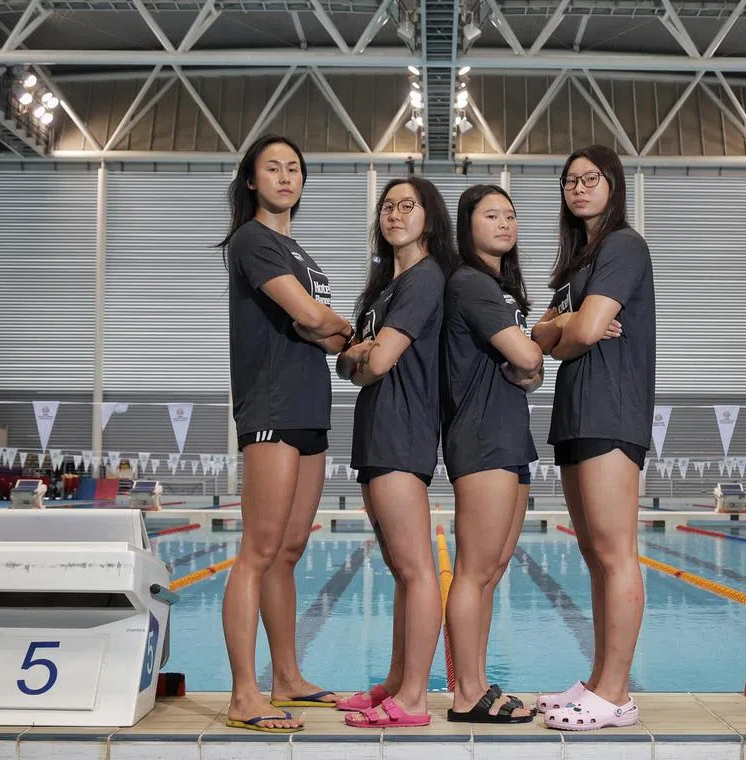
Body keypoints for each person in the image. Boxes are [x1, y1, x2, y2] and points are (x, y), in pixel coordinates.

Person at [219, 134, 352, 734]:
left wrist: (326, 327)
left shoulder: (299, 252)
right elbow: (314, 320)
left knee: (290, 551)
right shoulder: (252, 240)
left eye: (294, 168)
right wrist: (330, 323)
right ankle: (245, 694)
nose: (284, 176)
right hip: (270, 405)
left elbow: (324, 332)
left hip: (309, 410)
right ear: (251, 180)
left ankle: (288, 677)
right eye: (272, 167)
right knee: (259, 550)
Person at [530, 145, 654, 731]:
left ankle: (615, 692)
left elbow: (575, 329)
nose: (578, 188)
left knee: (614, 553)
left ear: (614, 185)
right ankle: (603, 679)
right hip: (576, 412)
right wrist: (568, 329)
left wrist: (571, 329)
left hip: (612, 409)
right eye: (570, 181)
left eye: (590, 179)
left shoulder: (624, 246)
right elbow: (543, 332)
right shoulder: (578, 261)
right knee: (593, 555)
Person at [335, 177, 458, 728]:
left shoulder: (425, 278)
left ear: (429, 217)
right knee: (400, 569)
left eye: (407, 205)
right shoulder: (386, 286)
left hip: (402, 431)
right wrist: (358, 355)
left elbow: (375, 364)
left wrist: (360, 354)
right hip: (378, 430)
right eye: (387, 206)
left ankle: (413, 699)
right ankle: (395, 682)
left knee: (416, 570)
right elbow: (350, 366)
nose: (394, 213)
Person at [441, 185, 540, 724]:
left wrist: (529, 361)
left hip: (508, 434)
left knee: (493, 568)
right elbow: (528, 357)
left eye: (511, 214)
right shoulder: (471, 283)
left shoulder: (503, 291)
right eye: (491, 215)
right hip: (481, 437)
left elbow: (532, 371)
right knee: (474, 571)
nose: (505, 223)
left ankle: (478, 682)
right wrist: (534, 354)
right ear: (468, 224)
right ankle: (467, 693)